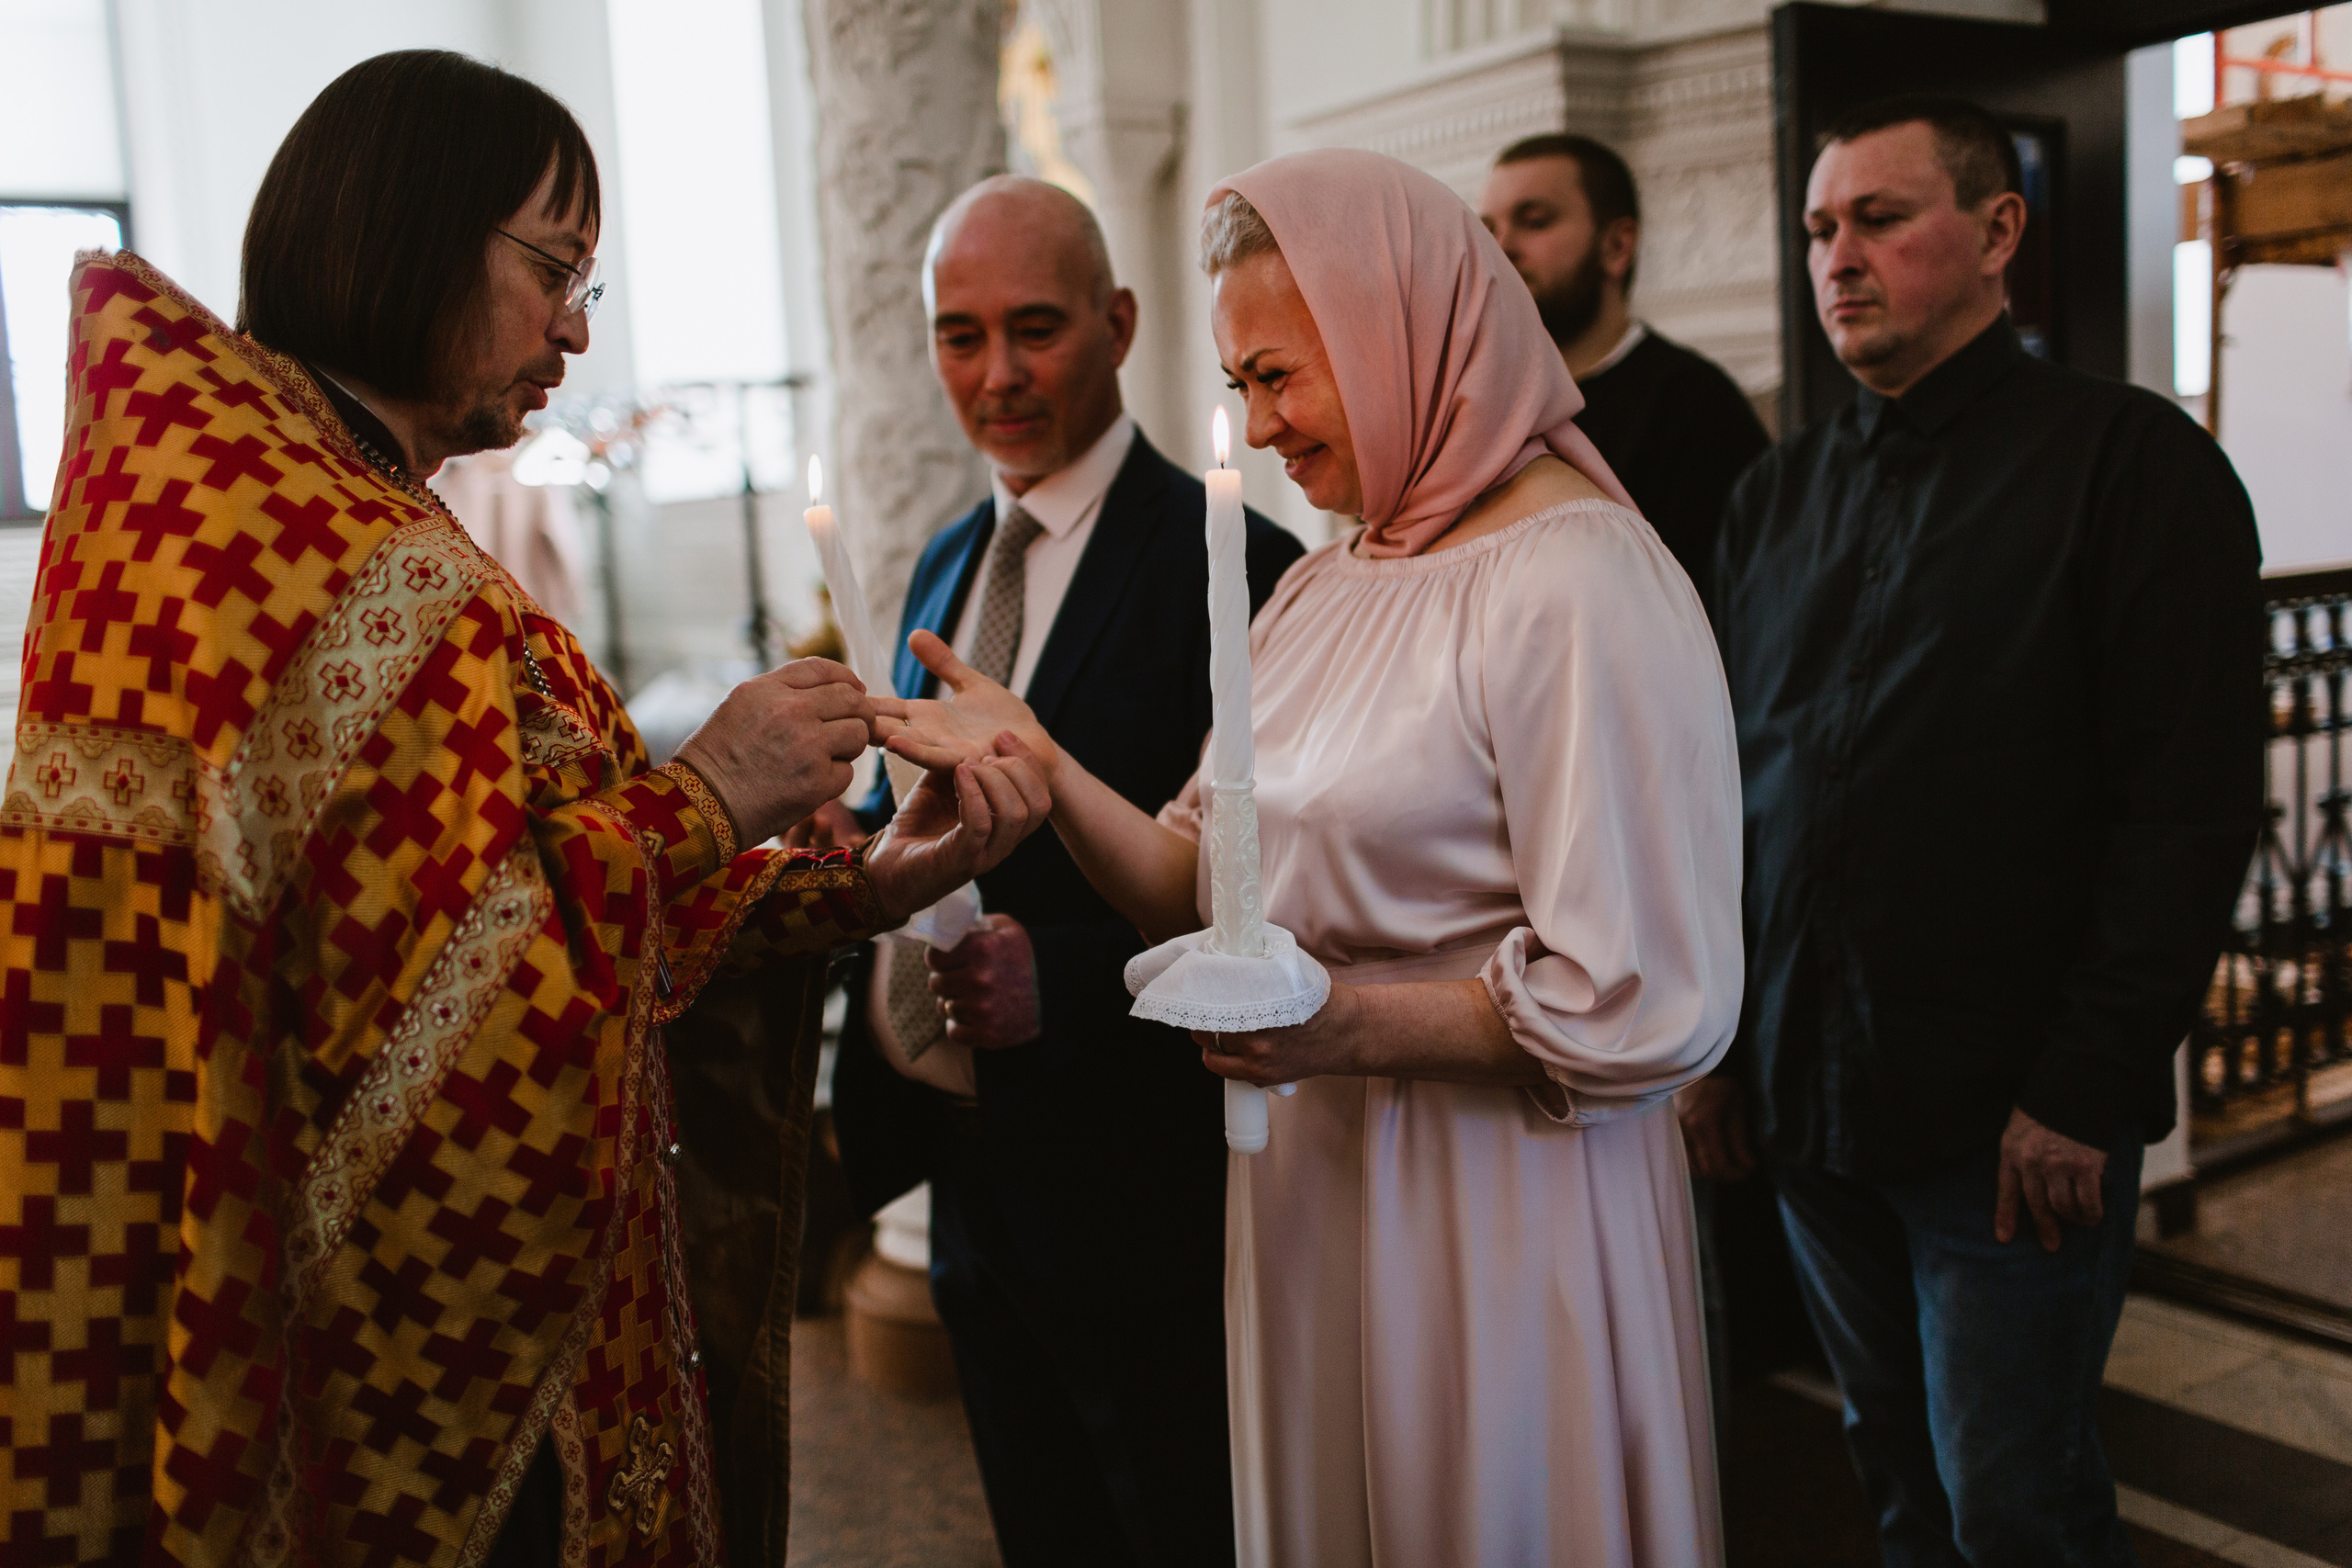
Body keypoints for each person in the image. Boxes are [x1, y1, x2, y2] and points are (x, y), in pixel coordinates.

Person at [0, 51, 1045, 1567]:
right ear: (408, 230)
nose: (573, 325)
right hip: (385, 1358)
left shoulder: (323, 505)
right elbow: (444, 986)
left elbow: (526, 889)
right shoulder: (312, 547)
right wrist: (711, 788)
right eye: (554, 267)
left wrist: (865, 887)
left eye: (588, 285)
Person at [885, 148, 1742, 1567]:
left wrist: (1338, 1019)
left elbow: (1644, 991)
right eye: (1239, 386)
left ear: (1400, 323)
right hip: (1311, 1184)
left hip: (1495, 1199)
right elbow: (1195, 881)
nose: (1262, 425)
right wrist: (1037, 766)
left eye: (1282, 373)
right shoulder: (1325, 587)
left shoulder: (1576, 580)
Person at [1684, 96, 2265, 1566]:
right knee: (1893, 1470)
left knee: (2019, 1505)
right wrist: (1715, 1045)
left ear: (2000, 230)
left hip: (2010, 1119)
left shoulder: (2132, 466)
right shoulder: (1775, 492)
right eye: (1821, 227)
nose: (1839, 257)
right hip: (1807, 1092)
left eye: (1880, 218)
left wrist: (2090, 1077)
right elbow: (1719, 788)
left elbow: (2186, 803)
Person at [819, 176, 1301, 1568]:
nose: (1000, 373)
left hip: (1131, 1156)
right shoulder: (949, 559)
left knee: (1173, 1513)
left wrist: (1073, 979)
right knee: (1039, 1521)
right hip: (962, 1154)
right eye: (960, 336)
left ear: (1121, 322)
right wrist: (850, 841)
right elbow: (911, 799)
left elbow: (1259, 883)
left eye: (1035, 327)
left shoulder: (1239, 567)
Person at [1478, 133, 1768, 603]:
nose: (1501, 247)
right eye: (1487, 229)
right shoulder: (1481, 402)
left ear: (1616, 246)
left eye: (1534, 221)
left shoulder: (1697, 407)